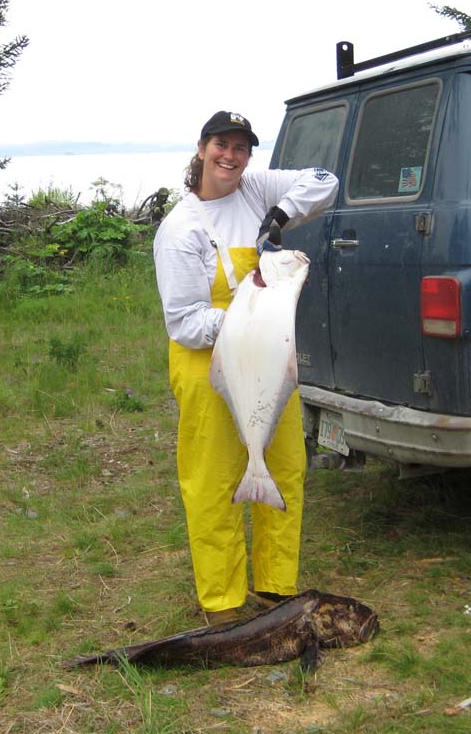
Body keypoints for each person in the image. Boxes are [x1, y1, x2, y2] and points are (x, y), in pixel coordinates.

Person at [153, 110, 338, 625]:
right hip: (206, 367)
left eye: (241, 147)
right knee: (213, 481)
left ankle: (277, 587)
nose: (231, 157)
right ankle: (222, 602)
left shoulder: (256, 188)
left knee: (284, 468)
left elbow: (325, 180)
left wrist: (278, 218)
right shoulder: (180, 229)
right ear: (201, 148)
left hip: (268, 359)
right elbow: (186, 323)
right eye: (221, 145)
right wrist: (248, 315)